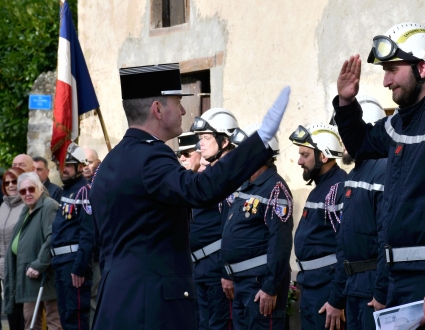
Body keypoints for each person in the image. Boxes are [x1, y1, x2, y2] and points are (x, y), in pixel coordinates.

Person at [89, 63, 290, 330]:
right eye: (177, 102)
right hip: (152, 304)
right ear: (157, 109)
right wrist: (260, 140)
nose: (183, 110)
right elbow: (201, 189)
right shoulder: (151, 156)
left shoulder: (110, 162)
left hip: (117, 299)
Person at [333, 22, 425, 329]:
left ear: (423, 68)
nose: (386, 81)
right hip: (398, 281)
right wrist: (347, 103)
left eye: (392, 70)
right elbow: (361, 146)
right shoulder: (399, 123)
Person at [221, 123, 293, 330]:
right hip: (241, 284)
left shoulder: (275, 189)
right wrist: (228, 272)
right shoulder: (245, 184)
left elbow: (280, 243)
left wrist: (270, 287)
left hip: (260, 285)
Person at [328, 95, 388, 330]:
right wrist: (337, 297)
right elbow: (344, 243)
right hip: (355, 286)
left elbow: (386, 239)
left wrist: (382, 290)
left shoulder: (382, 170)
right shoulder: (355, 174)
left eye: (345, 134)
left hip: (373, 286)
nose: (342, 142)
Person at [289, 123, 347, 330]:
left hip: (327, 291)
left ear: (324, 156)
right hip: (312, 287)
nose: (299, 161)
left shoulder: (340, 188)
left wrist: (336, 299)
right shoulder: (320, 188)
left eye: (305, 154)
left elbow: (345, 250)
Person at [190, 107, 239, 330]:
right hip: (200, 266)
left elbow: (234, 229)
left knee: (219, 326)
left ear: (225, 141)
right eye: (200, 138)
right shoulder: (210, 174)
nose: (201, 144)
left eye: (207, 138)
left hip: (219, 266)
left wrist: (226, 270)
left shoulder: (233, 177)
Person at [4, 172, 61, 330]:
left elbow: (52, 238)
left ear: (40, 188)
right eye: (23, 191)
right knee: (30, 322)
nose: (27, 193)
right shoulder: (25, 210)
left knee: (54, 321)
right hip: (28, 279)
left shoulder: (48, 205)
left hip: (46, 277)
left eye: (31, 189)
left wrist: (39, 264)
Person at [51, 143, 94, 330]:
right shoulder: (66, 190)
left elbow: (88, 233)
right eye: (61, 165)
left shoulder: (83, 190)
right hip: (61, 262)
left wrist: (79, 267)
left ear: (79, 166)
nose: (64, 169)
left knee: (75, 317)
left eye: (68, 165)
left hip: (73, 263)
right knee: (65, 316)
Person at [0, 167, 26, 330]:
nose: (10, 185)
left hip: (19, 268)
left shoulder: (26, 206)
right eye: (6, 182)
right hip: (3, 269)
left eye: (14, 181)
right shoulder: (3, 206)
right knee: (9, 311)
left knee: (20, 314)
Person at [82, 148, 101, 328]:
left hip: (99, 251)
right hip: (83, 254)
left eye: (90, 162)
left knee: (96, 299)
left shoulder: (102, 182)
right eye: (84, 162)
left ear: (98, 162)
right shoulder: (80, 187)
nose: (86, 166)